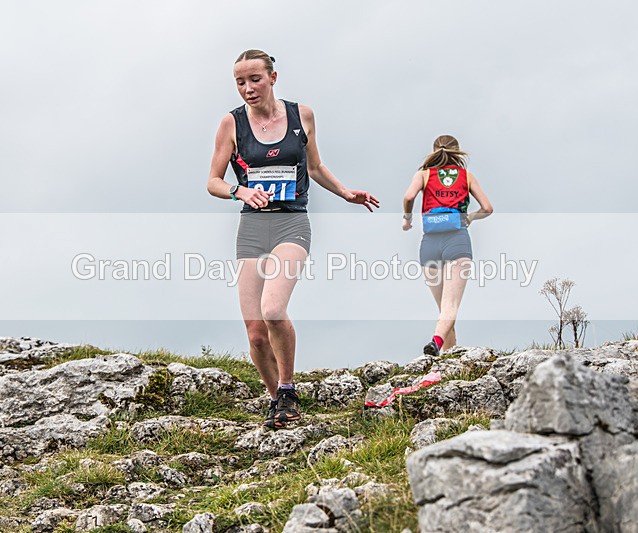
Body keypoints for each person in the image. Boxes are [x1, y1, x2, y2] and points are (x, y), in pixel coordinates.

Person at [207, 49, 379, 429]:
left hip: (291, 225)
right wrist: (241, 192)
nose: (248, 89)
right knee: (254, 333)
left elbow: (315, 166)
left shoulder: (302, 115)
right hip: (252, 226)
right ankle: (279, 402)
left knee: (272, 310)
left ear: (273, 77)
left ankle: (287, 386)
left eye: (255, 79)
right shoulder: (231, 125)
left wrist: (345, 193)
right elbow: (213, 182)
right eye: (240, 82)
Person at [401, 135, 493, 355]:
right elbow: (487, 208)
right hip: (457, 241)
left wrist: (407, 219)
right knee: (450, 307)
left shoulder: (423, 175)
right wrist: (470, 217)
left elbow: (409, 196)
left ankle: (450, 357)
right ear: (457, 152)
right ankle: (435, 343)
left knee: (444, 309)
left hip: (429, 244)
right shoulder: (467, 177)